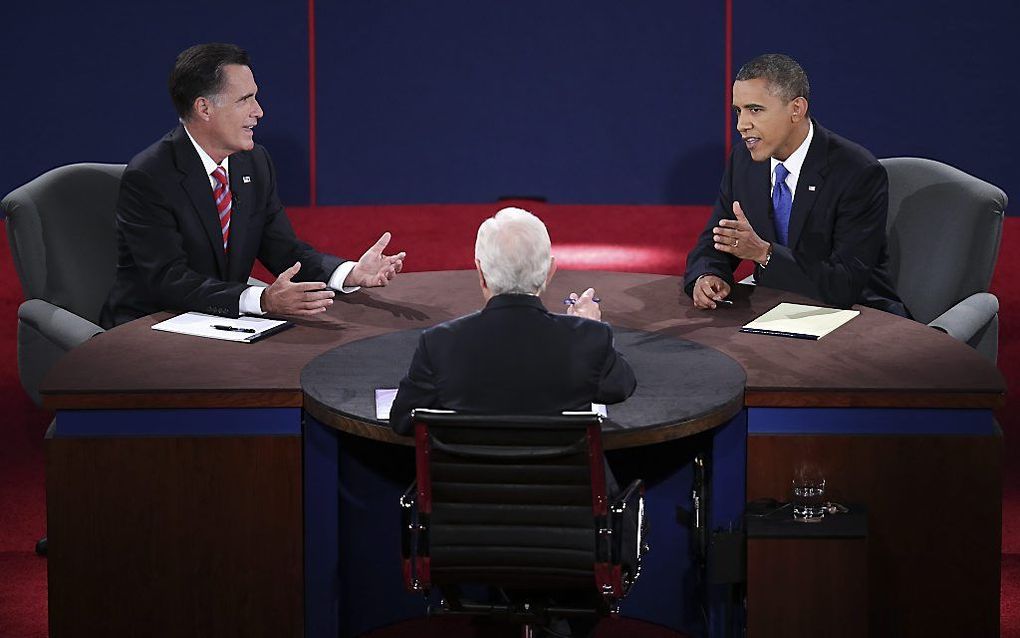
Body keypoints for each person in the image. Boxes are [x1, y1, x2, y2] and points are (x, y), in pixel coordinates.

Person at [101, 43, 404, 327]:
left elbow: (284, 250)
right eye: (245, 100)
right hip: (151, 325)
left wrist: (349, 273)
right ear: (204, 109)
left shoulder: (254, 162)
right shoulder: (151, 176)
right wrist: (260, 299)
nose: (258, 112)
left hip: (221, 322)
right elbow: (169, 280)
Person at [683, 53, 908, 317]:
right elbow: (718, 239)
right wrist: (708, 274)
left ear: (796, 109)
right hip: (776, 310)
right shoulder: (743, 161)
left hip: (858, 314)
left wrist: (765, 254)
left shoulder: (856, 172)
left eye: (755, 109)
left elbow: (845, 284)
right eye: (738, 111)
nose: (742, 125)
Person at [389, 206, 636, 436]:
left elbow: (403, 420)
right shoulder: (587, 339)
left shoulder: (439, 343)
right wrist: (590, 326)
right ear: (550, 272)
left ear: (481, 273)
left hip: (469, 481)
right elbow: (620, 387)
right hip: (565, 481)